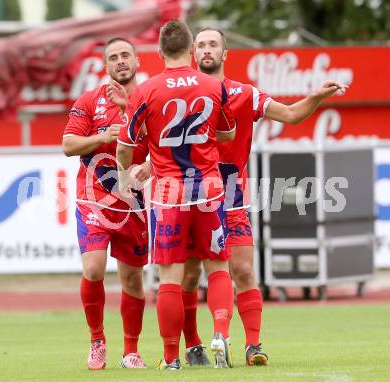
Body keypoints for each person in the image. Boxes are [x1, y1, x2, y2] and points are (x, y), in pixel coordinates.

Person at [181, 27, 348, 367]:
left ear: (225, 53)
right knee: (187, 276)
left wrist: (317, 96)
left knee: (242, 270)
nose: (207, 50)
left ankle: (252, 346)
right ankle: (194, 344)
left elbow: (289, 114)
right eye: (201, 45)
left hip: (232, 197)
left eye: (214, 44)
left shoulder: (245, 94)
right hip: (188, 196)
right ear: (191, 54)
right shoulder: (181, 96)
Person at [114, 20, 237, 370]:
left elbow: (124, 147)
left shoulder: (146, 90)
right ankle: (220, 334)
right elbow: (228, 134)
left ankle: (170, 358)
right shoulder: (213, 85)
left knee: (170, 276)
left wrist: (125, 177)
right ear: (192, 51)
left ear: (159, 52)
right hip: (209, 187)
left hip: (169, 192)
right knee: (218, 268)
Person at [62, 37, 150, 370]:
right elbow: (68, 145)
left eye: (126, 55)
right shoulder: (90, 100)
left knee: (132, 280)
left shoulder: (150, 98)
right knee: (94, 269)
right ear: (106, 65)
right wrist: (103, 136)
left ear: (137, 61)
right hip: (94, 198)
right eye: (113, 57)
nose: (120, 61)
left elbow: (159, 148)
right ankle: (97, 341)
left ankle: (131, 351)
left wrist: (129, 110)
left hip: (133, 202)